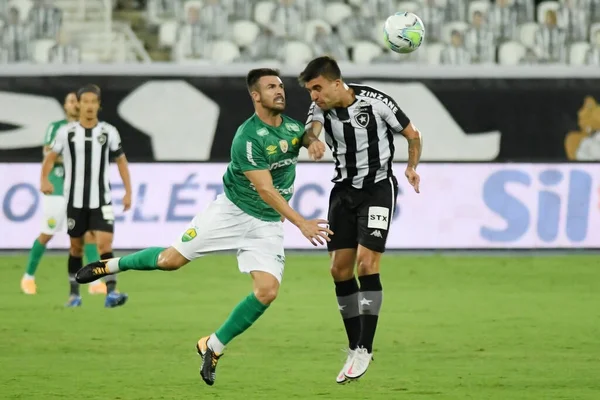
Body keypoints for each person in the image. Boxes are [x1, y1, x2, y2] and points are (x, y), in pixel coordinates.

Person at [74, 68, 332, 386]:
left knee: (267, 292)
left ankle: (212, 345)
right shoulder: (247, 138)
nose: (279, 91)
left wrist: (313, 141)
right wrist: (301, 222)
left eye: (280, 86)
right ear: (256, 95)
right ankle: (109, 265)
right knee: (170, 261)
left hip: (266, 225)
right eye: (270, 87)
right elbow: (265, 189)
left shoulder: (291, 127)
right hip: (230, 213)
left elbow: (303, 134)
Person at [299, 56, 423, 383]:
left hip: (378, 190)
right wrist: (312, 143)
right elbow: (309, 132)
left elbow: (412, 134)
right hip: (342, 192)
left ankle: (365, 349)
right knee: (339, 269)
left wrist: (411, 167)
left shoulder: (376, 101)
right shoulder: (320, 110)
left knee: (367, 265)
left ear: (336, 83)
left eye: (317, 88)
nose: (314, 95)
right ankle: (354, 345)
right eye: (310, 90)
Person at [40, 84, 132, 308]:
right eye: (86, 102)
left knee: (104, 244)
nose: (90, 106)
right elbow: (50, 157)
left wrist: (128, 191)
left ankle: (111, 292)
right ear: (79, 104)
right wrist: (44, 178)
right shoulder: (66, 133)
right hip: (75, 200)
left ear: (99, 105)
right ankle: (74, 294)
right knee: (76, 248)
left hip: (102, 199)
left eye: (94, 102)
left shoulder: (108, 131)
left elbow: (121, 160)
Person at [21, 91, 106, 298]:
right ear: (65, 106)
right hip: (58, 188)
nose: (75, 105)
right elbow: (49, 154)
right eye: (70, 101)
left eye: (77, 101)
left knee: (89, 234)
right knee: (47, 233)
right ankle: (28, 277)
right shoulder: (56, 127)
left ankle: (95, 282)